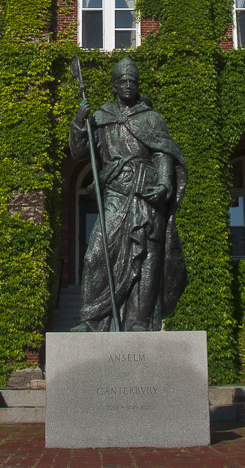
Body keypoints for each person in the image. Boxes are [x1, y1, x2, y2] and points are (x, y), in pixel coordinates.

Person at [70, 56, 188, 332]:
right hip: (115, 190)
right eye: (122, 81)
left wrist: (164, 184)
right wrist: (79, 122)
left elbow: (163, 153)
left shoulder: (152, 118)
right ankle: (91, 319)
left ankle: (139, 320)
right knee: (95, 255)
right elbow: (79, 153)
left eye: (132, 81)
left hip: (146, 190)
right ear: (114, 85)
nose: (127, 86)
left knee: (147, 257)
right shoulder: (100, 118)